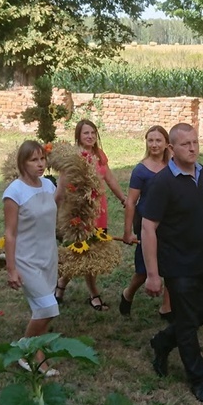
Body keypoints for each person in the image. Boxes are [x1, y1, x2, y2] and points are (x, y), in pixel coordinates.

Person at [142, 123, 203, 405]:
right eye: (186, 144)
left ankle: (164, 341)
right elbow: (148, 227)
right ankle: (199, 381)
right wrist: (153, 274)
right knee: (187, 324)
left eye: (195, 142)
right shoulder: (162, 183)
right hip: (178, 265)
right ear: (171, 149)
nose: (192, 148)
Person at [55, 119, 127, 311]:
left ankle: (60, 286)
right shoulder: (72, 157)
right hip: (80, 213)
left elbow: (109, 178)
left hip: (99, 211)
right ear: (78, 135)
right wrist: (56, 211)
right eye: (86, 133)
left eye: (93, 133)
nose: (90, 136)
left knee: (88, 252)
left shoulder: (99, 155)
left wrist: (123, 199)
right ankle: (93, 294)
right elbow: (61, 188)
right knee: (80, 252)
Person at [3, 140, 60, 376]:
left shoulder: (48, 185)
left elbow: (52, 211)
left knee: (43, 310)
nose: (40, 164)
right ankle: (26, 351)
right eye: (33, 160)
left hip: (48, 255)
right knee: (49, 307)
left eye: (42, 159)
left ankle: (37, 350)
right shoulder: (14, 192)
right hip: (27, 259)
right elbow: (10, 232)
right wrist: (11, 268)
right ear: (22, 163)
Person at [120, 125, 172, 320]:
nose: (154, 144)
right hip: (147, 223)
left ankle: (167, 308)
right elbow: (131, 202)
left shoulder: (173, 166)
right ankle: (128, 293)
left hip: (169, 222)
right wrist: (127, 232)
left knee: (171, 266)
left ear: (167, 143)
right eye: (150, 140)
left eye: (158, 140)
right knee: (144, 271)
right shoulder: (140, 170)